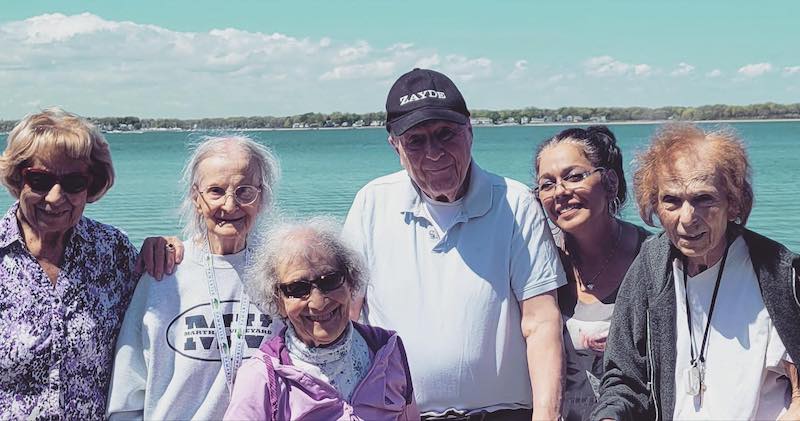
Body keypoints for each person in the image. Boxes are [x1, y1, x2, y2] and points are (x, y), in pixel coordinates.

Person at [343, 68, 567, 419]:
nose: (433, 153)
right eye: (416, 140)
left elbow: (541, 323)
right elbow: (347, 316)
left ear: (470, 131)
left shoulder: (516, 203)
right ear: (395, 145)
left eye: (446, 134)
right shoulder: (371, 204)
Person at [592, 123, 800, 420]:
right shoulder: (650, 267)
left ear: (734, 202)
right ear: (653, 204)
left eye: (704, 199)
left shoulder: (780, 272)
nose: (687, 219)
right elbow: (624, 377)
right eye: (671, 201)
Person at [106, 136, 283, 420]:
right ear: (195, 198)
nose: (229, 204)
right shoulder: (164, 271)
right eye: (216, 191)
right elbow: (128, 391)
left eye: (244, 191)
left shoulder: (283, 271)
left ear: (261, 197)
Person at [0, 108, 139, 418]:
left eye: (74, 182)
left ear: (91, 185)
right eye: (39, 179)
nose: (55, 196)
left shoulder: (114, 253)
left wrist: (171, 248)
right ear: (16, 178)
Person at [225, 217, 418, 420]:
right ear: (279, 301)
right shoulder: (261, 378)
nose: (318, 302)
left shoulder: (388, 349)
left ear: (351, 283)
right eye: (297, 288)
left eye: (330, 280)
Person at [533, 126, 650, 421]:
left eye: (574, 177)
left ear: (609, 182)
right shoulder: (536, 260)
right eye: (547, 184)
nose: (560, 192)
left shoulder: (652, 258)